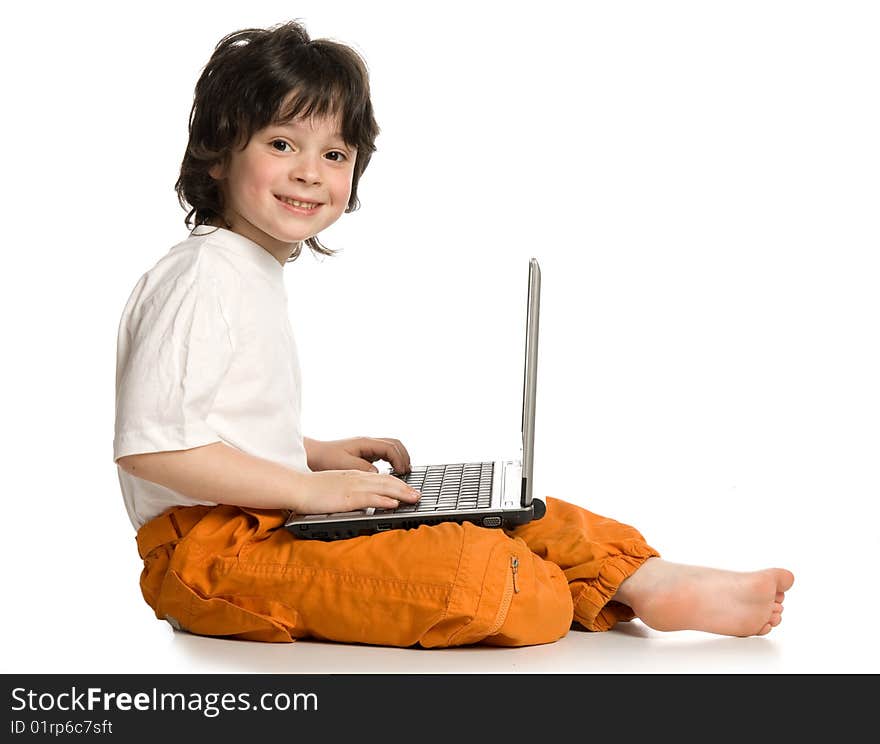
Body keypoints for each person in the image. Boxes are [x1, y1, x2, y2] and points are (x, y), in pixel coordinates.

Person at [113, 20, 794, 646]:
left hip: (264, 519)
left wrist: (313, 454)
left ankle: (651, 582)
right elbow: (155, 450)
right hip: (207, 554)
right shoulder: (205, 276)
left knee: (523, 510)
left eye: (335, 153)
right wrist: (307, 492)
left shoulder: (246, 270)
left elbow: (211, 422)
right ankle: (559, 581)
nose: (309, 173)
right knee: (503, 583)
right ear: (216, 156)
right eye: (282, 143)